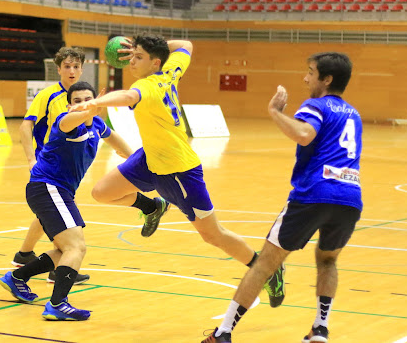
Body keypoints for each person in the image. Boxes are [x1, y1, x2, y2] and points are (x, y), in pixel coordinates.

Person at [69, 34, 285, 307]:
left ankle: (267, 269)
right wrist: (143, 45)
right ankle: (152, 207)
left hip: (179, 170)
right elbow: (187, 45)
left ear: (155, 62)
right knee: (101, 192)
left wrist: (95, 103)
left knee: (212, 235)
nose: (132, 61)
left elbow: (127, 96)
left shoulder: (147, 87)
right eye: (132, 56)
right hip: (150, 160)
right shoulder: (170, 69)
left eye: (138, 57)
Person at [202, 52, 362, 343]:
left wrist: (275, 112)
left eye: (310, 73)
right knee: (327, 260)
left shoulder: (316, 105)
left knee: (265, 263)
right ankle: (320, 328)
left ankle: (223, 332)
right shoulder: (354, 114)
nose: (305, 78)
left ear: (326, 79)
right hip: (350, 197)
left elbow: (304, 134)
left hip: (314, 193)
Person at [0, 81, 133, 320]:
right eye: (77, 101)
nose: (82, 105)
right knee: (76, 247)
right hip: (47, 187)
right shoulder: (65, 121)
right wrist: (89, 108)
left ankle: (17, 278)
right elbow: (73, 119)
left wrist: (137, 162)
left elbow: (118, 143)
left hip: (59, 192)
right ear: (70, 104)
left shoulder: (98, 125)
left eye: (87, 100)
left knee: (64, 250)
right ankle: (58, 303)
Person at [11, 47, 91, 285]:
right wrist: (30, 159)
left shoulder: (83, 97)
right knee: (61, 217)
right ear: (58, 69)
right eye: (67, 66)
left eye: (76, 66)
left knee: (49, 215)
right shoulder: (48, 95)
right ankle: (59, 267)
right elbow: (25, 126)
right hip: (49, 166)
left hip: (68, 169)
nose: (72, 71)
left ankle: (24, 255)